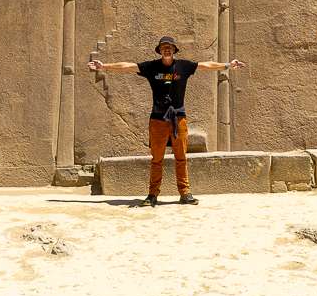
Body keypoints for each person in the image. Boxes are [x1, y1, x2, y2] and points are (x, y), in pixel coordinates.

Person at [87, 36, 246, 206]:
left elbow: (206, 65)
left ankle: (185, 193)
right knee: (157, 159)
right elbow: (128, 66)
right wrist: (104, 66)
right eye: (163, 47)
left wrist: (227, 65)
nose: (166, 49)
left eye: (169, 47)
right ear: (159, 50)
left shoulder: (184, 66)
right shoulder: (152, 67)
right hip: (157, 119)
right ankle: (152, 194)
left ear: (174, 49)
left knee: (181, 157)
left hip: (179, 118)